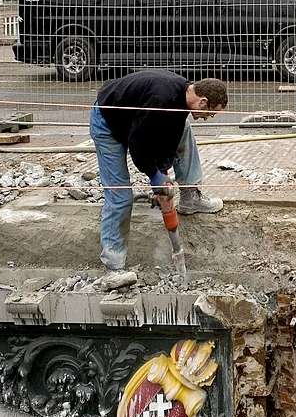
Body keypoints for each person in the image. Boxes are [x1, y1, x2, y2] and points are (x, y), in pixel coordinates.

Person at [89, 70, 228, 288]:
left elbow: (168, 141)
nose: (207, 119)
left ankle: (190, 196)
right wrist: (155, 177)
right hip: (108, 123)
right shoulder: (162, 99)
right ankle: (112, 270)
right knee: (120, 196)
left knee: (184, 131)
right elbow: (137, 143)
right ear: (203, 102)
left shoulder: (182, 98)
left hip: (136, 121)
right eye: (211, 114)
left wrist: (163, 177)